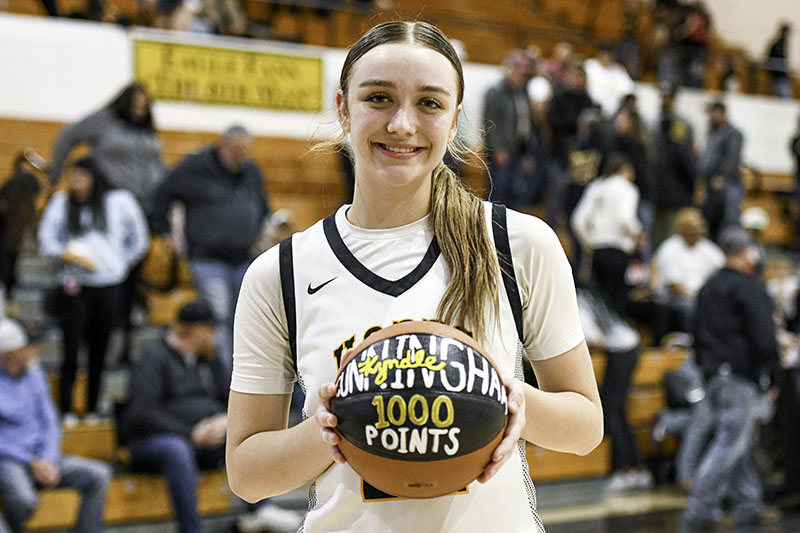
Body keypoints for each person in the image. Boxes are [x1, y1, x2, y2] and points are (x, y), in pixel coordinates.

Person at [225, 21, 603, 533]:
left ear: (455, 123)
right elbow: (247, 474)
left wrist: (510, 400)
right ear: (343, 109)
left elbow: (585, 427)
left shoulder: (519, 244)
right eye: (379, 97)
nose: (402, 124)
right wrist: (334, 429)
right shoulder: (281, 272)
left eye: (429, 103)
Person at [682, 227, 782, 529]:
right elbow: (765, 336)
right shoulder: (748, 287)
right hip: (740, 375)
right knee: (729, 442)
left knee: (737, 442)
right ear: (746, 252)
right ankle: (700, 509)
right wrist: (773, 376)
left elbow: (696, 332)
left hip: (713, 374)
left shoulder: (708, 286)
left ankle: (748, 503)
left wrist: (706, 368)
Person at [37, 157, 149, 421]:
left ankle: (92, 405)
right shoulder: (62, 203)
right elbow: (46, 239)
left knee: (100, 349)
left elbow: (140, 240)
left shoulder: (118, 202)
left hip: (108, 285)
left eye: (81, 178)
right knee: (71, 349)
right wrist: (65, 254)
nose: (76, 185)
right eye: (72, 178)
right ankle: (66, 407)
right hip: (74, 284)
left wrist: (119, 264)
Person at [148, 125, 270, 364]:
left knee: (248, 317)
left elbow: (263, 207)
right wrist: (164, 233)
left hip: (243, 257)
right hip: (207, 258)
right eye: (236, 150)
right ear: (222, 146)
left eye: (245, 151)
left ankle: (246, 374)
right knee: (220, 315)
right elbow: (162, 194)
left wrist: (261, 233)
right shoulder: (196, 167)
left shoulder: (250, 170)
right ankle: (227, 380)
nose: (241, 156)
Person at [0, 318, 112, 533]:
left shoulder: (35, 375)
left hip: (41, 456)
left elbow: (50, 421)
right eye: (29, 346)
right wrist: (30, 461)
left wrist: (48, 458)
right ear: (12, 351)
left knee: (98, 475)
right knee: (23, 499)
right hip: (9, 458)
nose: (35, 350)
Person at [49, 83, 164, 203]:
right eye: (135, 107)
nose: (139, 113)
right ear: (125, 104)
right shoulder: (104, 120)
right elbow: (67, 136)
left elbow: (158, 161)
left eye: (143, 108)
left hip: (149, 200)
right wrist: (56, 172)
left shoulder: (146, 128)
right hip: (112, 197)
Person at [482, 49, 541, 210]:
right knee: (498, 194)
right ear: (511, 68)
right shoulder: (496, 92)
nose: (523, 74)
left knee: (517, 194)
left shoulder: (524, 93)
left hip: (519, 151)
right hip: (502, 152)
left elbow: (527, 125)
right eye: (520, 69)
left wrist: (528, 153)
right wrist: (498, 149)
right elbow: (490, 123)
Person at [698, 101, 744, 241]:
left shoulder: (733, 133)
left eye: (713, 113)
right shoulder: (712, 132)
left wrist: (722, 177)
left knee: (730, 218)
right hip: (711, 183)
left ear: (721, 112)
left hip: (727, 182)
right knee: (711, 218)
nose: (710, 117)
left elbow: (732, 157)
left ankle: (733, 246)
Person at [765, 23, 793, 99]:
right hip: (778, 75)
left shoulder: (782, 44)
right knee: (785, 97)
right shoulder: (778, 45)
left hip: (780, 75)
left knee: (786, 97)